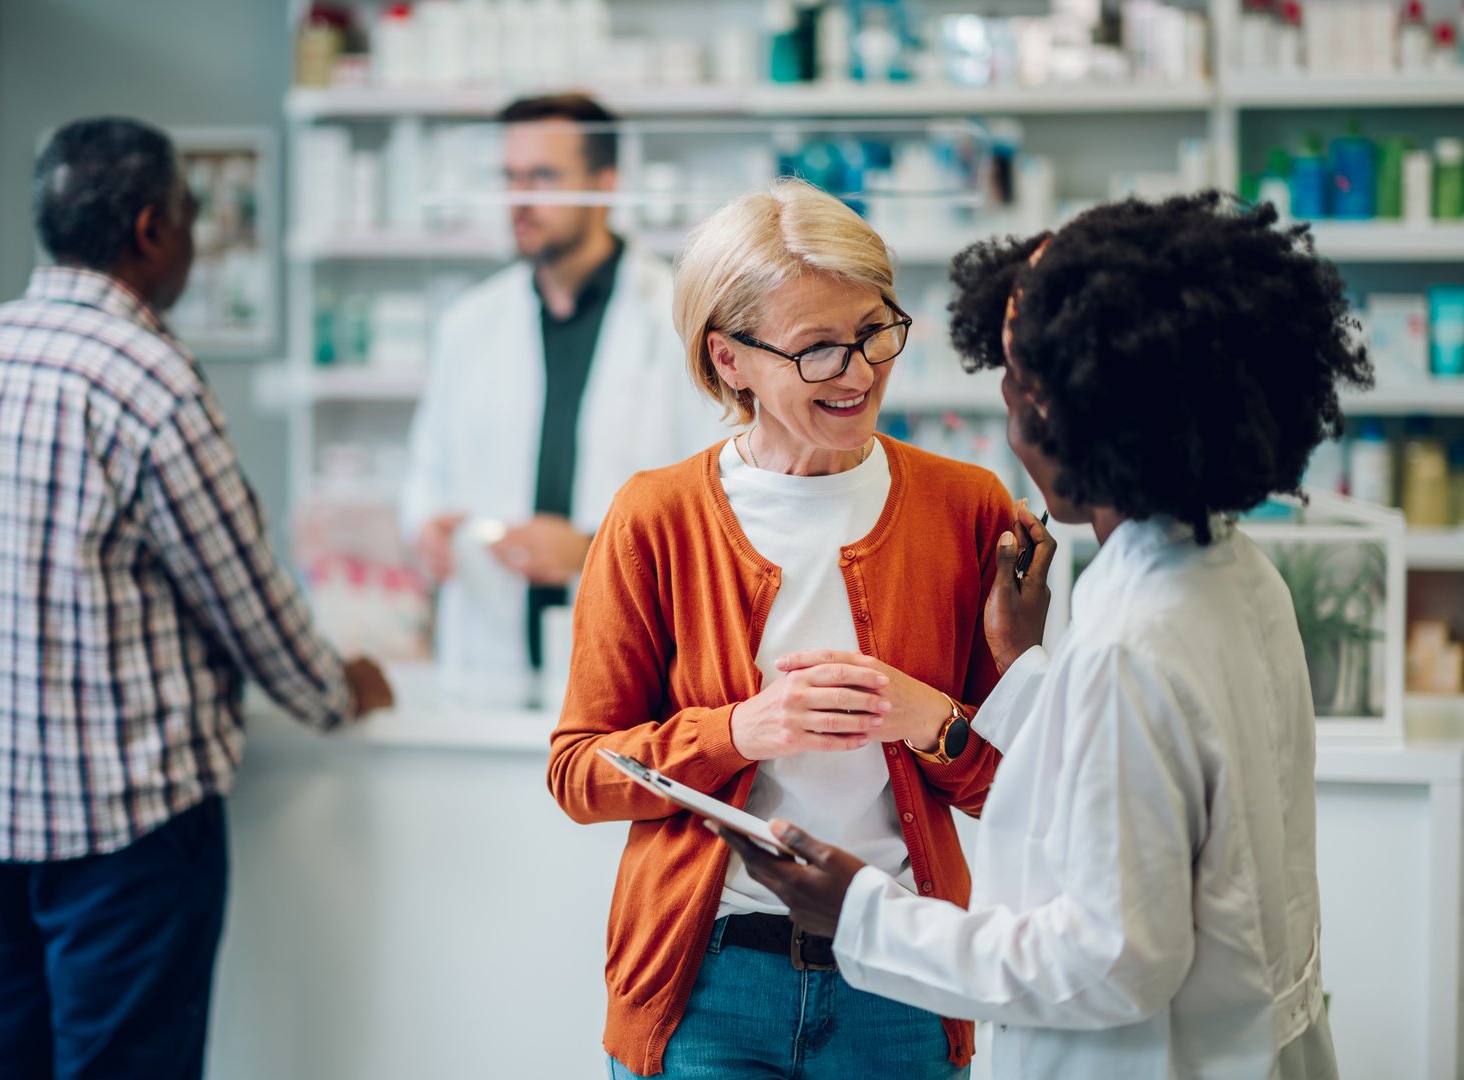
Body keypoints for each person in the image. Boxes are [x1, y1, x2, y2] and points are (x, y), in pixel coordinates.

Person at [717, 191, 1370, 1078]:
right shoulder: (1230, 574)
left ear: (1074, 416)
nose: (1006, 402)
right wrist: (1022, 670)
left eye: (1020, 379)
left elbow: (1105, 963)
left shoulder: (1130, 646)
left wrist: (860, 911)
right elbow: (1138, 794)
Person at [0, 117, 394, 1080]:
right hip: (124, 829)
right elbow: (246, 596)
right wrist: (338, 693)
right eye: (190, 223)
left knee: (6, 1060)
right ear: (151, 228)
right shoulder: (146, 377)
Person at [547, 178, 1017, 1079]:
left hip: (904, 977)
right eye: (816, 350)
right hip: (709, 984)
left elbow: (1022, 788)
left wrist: (930, 720)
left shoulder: (967, 509)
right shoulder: (657, 517)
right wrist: (738, 731)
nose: (858, 372)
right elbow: (578, 773)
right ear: (729, 360)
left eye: (875, 332)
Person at [400, 93, 719, 701]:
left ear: (605, 183)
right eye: (510, 177)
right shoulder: (469, 323)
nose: (520, 197)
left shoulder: (679, 319)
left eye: (543, 177)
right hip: (487, 658)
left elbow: (715, 499)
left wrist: (590, 548)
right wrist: (426, 528)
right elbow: (427, 472)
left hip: (630, 660)